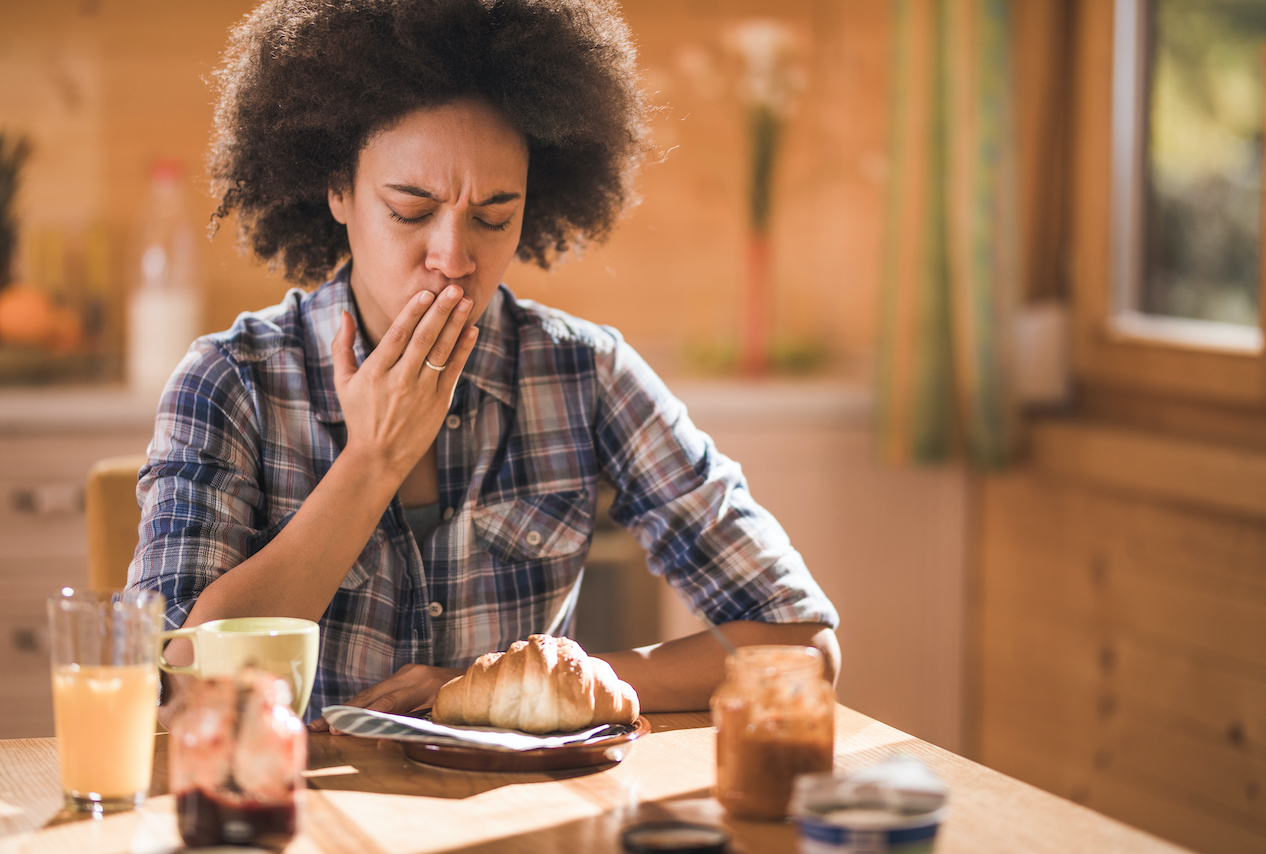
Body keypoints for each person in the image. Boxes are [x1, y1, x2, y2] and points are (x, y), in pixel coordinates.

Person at [129, 0, 840, 730]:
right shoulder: (232, 382)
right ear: (338, 190)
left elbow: (800, 642)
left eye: (494, 216)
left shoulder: (584, 374)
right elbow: (169, 684)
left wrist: (538, 682)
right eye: (411, 209)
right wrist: (372, 461)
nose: (455, 257)